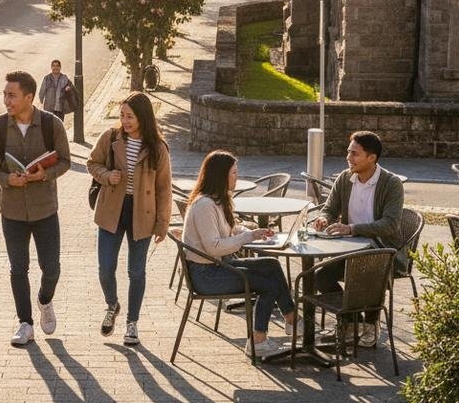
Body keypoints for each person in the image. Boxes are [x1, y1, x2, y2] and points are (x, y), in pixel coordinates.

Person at [0, 70, 71, 347]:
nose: (6, 100)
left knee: (52, 268)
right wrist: (6, 178)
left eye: (12, 95)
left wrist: (43, 174)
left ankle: (45, 300)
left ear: (29, 97)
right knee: (18, 268)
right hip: (12, 211)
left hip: (45, 209)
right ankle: (25, 323)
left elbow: (65, 161)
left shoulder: (50, 124)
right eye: (5, 94)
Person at [182, 150, 298, 357]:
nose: (237, 177)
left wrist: (252, 232)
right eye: (234, 173)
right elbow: (214, 247)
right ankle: (258, 342)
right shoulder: (204, 206)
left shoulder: (217, 200)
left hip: (217, 265)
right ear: (221, 176)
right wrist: (247, 237)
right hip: (205, 274)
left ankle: (291, 319)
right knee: (268, 286)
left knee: (271, 264)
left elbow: (231, 229)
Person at [87, 92, 172, 347]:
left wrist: (162, 224)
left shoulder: (158, 148)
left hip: (142, 213)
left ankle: (132, 323)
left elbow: (164, 189)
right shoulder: (110, 137)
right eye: (122, 115)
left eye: (130, 116)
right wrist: (107, 175)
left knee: (136, 272)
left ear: (143, 117)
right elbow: (92, 163)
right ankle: (112, 305)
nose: (124, 121)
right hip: (112, 209)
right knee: (105, 269)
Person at [311, 130, 405, 348]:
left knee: (367, 273)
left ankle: (371, 324)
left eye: (354, 154)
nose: (348, 158)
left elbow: (390, 224)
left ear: (371, 158)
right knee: (319, 276)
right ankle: (352, 322)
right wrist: (323, 220)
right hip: (347, 250)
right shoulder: (345, 178)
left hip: (382, 250)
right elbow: (329, 208)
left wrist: (352, 228)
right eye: (348, 152)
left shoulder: (391, 184)